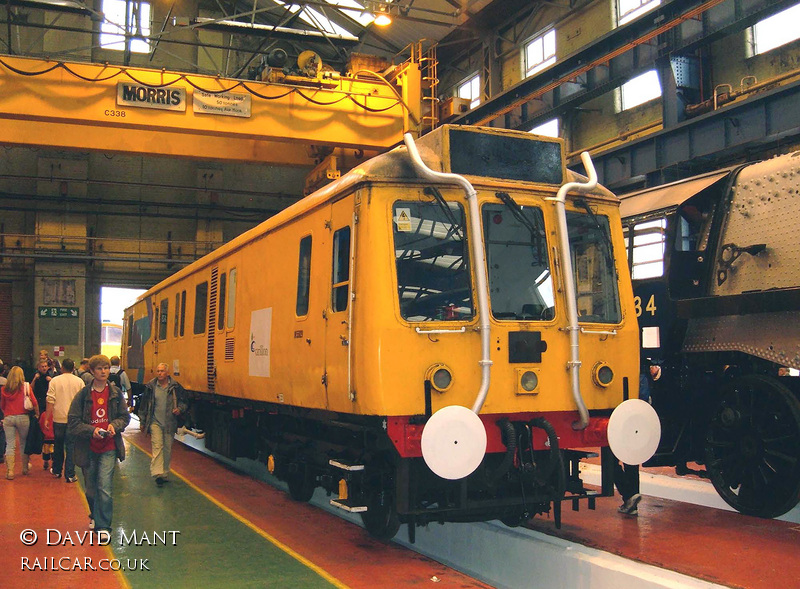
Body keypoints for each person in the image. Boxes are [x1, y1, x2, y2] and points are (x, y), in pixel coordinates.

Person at [68, 355, 130, 533]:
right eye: (100, 368)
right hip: (88, 447)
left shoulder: (116, 393)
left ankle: (103, 526)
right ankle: (95, 514)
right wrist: (91, 431)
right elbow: (73, 422)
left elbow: (124, 417)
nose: (104, 371)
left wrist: (114, 426)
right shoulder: (83, 395)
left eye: (106, 368)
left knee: (105, 487)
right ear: (92, 371)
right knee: (90, 489)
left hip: (109, 447)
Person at [140, 362, 188, 486]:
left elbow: (184, 402)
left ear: (167, 373)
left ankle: (165, 472)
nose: (160, 373)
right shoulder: (151, 386)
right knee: (157, 446)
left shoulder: (176, 387)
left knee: (167, 448)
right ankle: (158, 473)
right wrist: (143, 421)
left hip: (169, 422)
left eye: (162, 371)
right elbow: (144, 405)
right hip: (155, 422)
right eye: (158, 371)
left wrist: (180, 409)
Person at [46, 358, 85, 482]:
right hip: (74, 420)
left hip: (58, 419)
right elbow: (83, 402)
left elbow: (50, 400)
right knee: (71, 447)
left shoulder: (54, 381)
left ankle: (57, 470)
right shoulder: (79, 382)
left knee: (58, 445)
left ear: (62, 367)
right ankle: (70, 474)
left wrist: (47, 418)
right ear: (73, 368)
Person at [1, 366, 39, 480]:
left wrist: (6, 413)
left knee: (10, 445)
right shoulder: (26, 387)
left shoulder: (4, 389)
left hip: (8, 418)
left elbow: (2, 405)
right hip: (23, 417)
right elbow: (35, 402)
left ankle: (10, 471)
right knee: (23, 443)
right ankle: (24, 468)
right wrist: (37, 414)